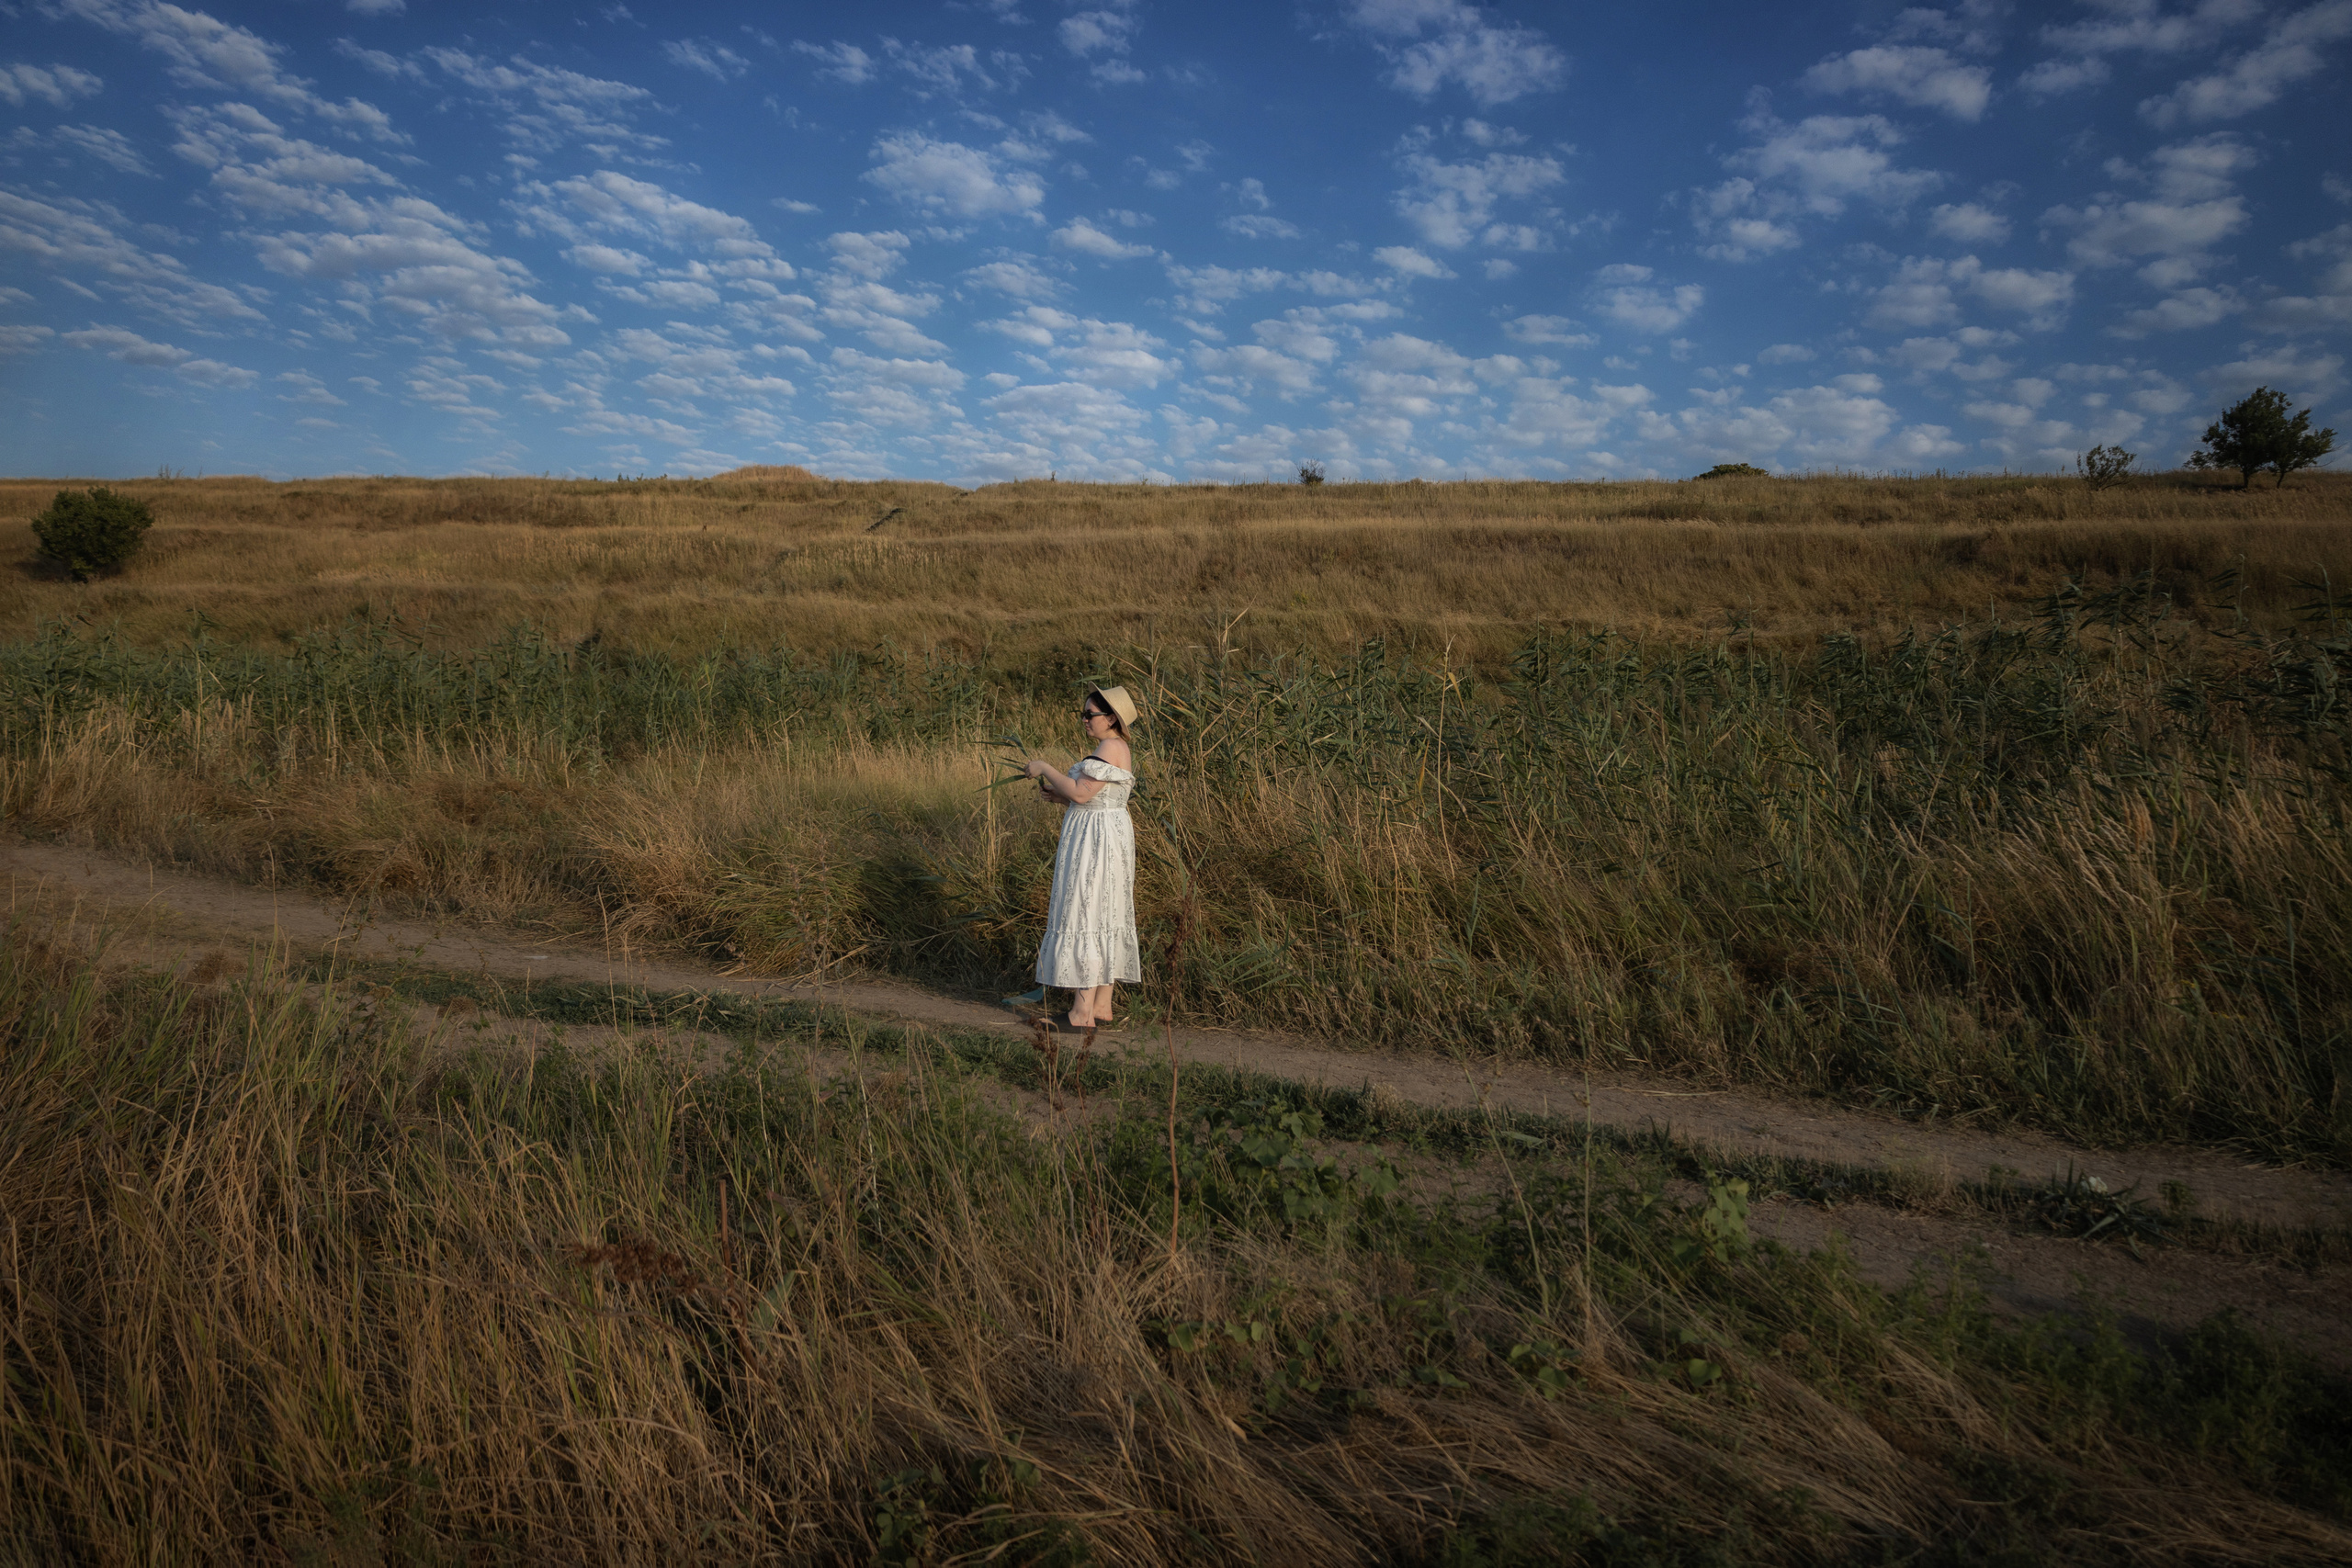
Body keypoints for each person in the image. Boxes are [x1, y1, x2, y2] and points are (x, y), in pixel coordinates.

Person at [1023, 684, 1140, 1031]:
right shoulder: (1117, 747)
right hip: (1109, 834)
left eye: (1091, 715)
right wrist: (1063, 798)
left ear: (1111, 718)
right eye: (1084, 714)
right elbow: (1092, 796)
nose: (1085, 720)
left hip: (1096, 841)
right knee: (1106, 911)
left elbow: (1081, 793)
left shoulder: (1109, 746)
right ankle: (1101, 1006)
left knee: (1087, 909)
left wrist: (1044, 767)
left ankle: (1080, 1013)